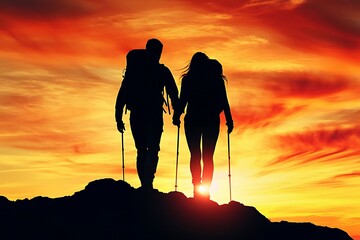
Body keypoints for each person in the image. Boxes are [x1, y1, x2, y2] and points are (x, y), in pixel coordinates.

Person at [115, 38, 179, 190]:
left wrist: (118, 117)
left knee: (144, 149)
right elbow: (173, 92)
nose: (158, 55)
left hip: (139, 114)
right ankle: (147, 183)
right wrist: (177, 113)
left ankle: (146, 183)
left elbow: (122, 94)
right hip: (152, 114)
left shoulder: (136, 72)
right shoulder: (161, 71)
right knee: (150, 149)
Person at [173, 52, 233, 199]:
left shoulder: (188, 80)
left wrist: (176, 116)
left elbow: (183, 101)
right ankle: (205, 192)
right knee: (208, 157)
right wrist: (229, 120)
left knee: (195, 155)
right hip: (211, 121)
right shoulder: (215, 80)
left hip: (192, 120)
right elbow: (224, 101)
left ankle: (197, 188)